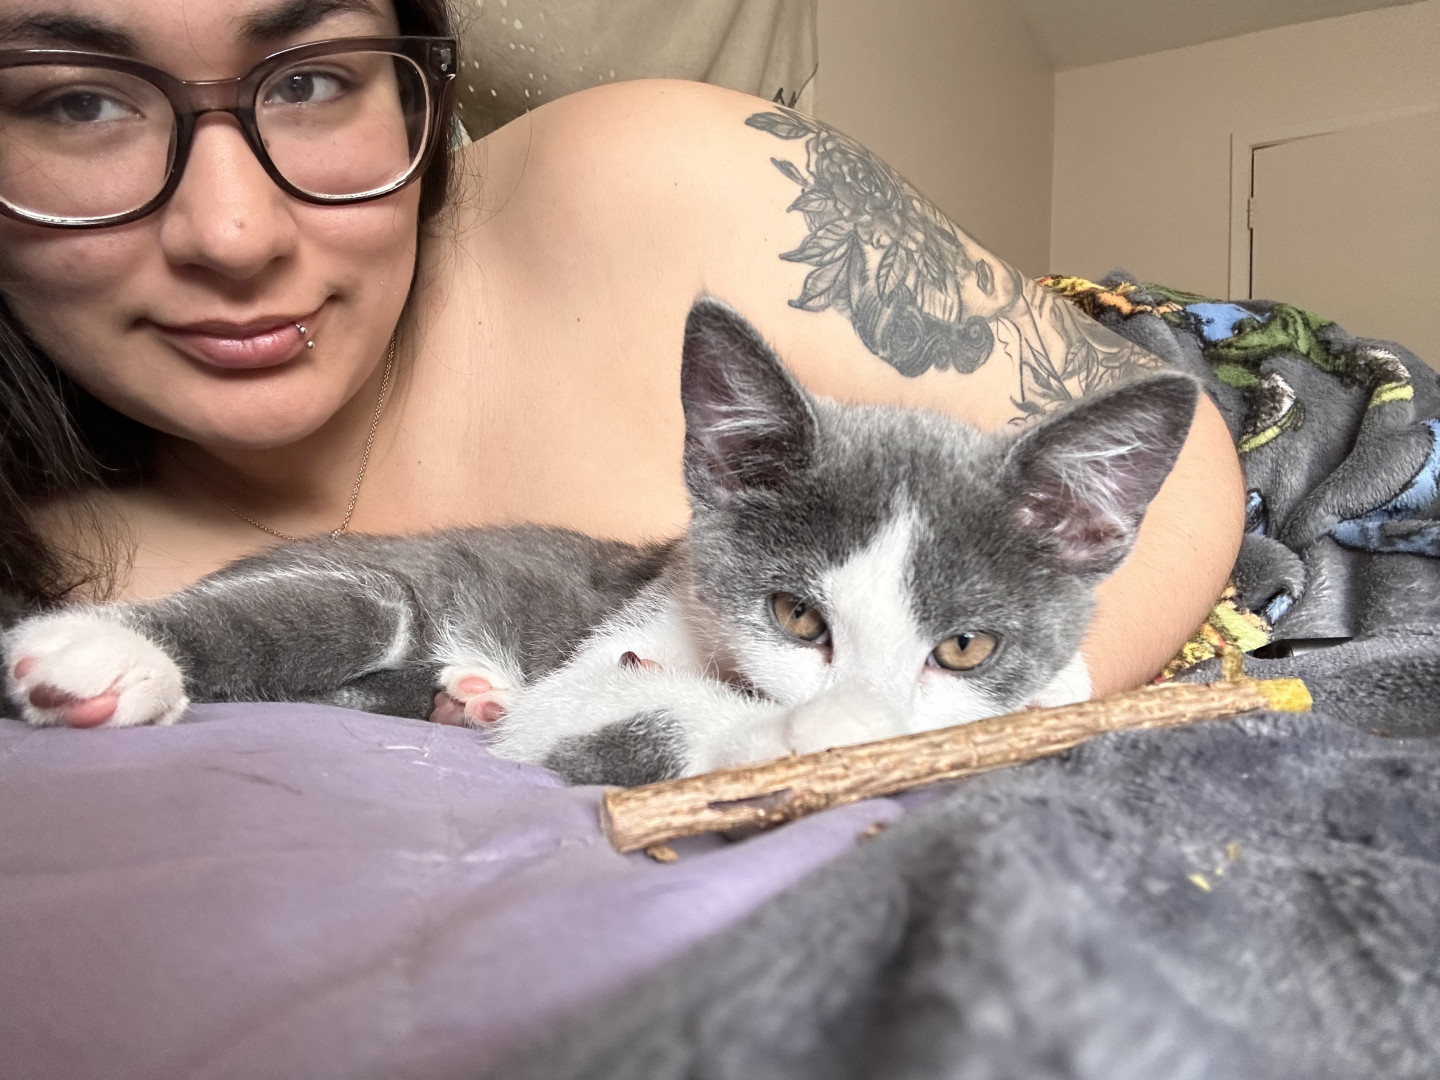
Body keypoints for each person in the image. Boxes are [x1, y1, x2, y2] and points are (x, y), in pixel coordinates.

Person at [0, 0, 1244, 726]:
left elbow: (1172, 455)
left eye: (314, 78)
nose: (234, 233)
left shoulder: (669, 176)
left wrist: (982, 727)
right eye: (77, 102)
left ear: (416, 85)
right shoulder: (46, 580)